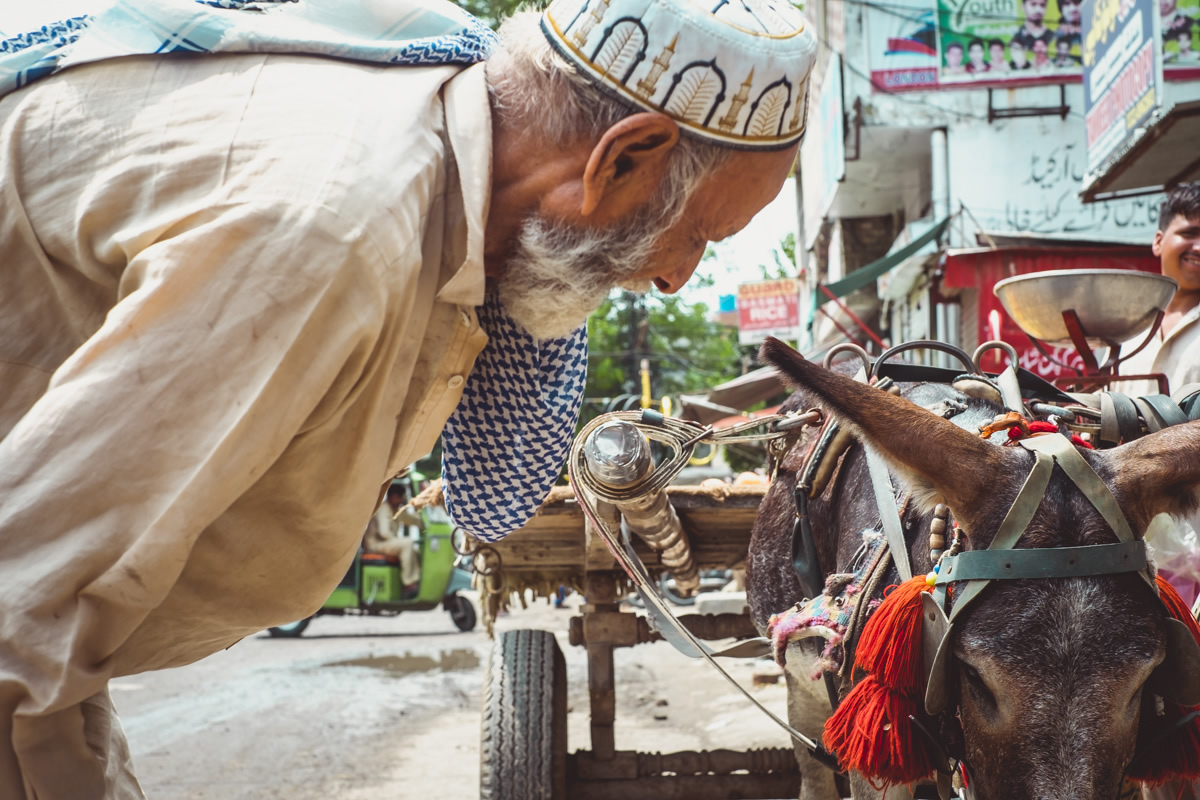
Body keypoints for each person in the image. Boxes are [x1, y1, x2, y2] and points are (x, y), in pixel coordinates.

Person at [0, 0, 817, 796]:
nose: (677, 276)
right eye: (702, 235)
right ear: (623, 156)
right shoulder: (330, 234)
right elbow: (20, 623)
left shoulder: (424, 152)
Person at [1118, 183, 1200, 398]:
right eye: (1190, 233)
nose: (1199, 247)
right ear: (1158, 242)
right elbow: (1097, 413)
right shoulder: (1124, 328)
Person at [362, 484, 422, 594]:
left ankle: (416, 580)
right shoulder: (383, 508)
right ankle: (408, 583)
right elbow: (384, 533)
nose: (400, 500)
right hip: (374, 545)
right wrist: (397, 541)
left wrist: (425, 523)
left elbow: (412, 520)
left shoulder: (397, 510)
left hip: (385, 543)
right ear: (391, 496)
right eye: (398, 497)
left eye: (401, 497)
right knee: (407, 543)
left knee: (415, 550)